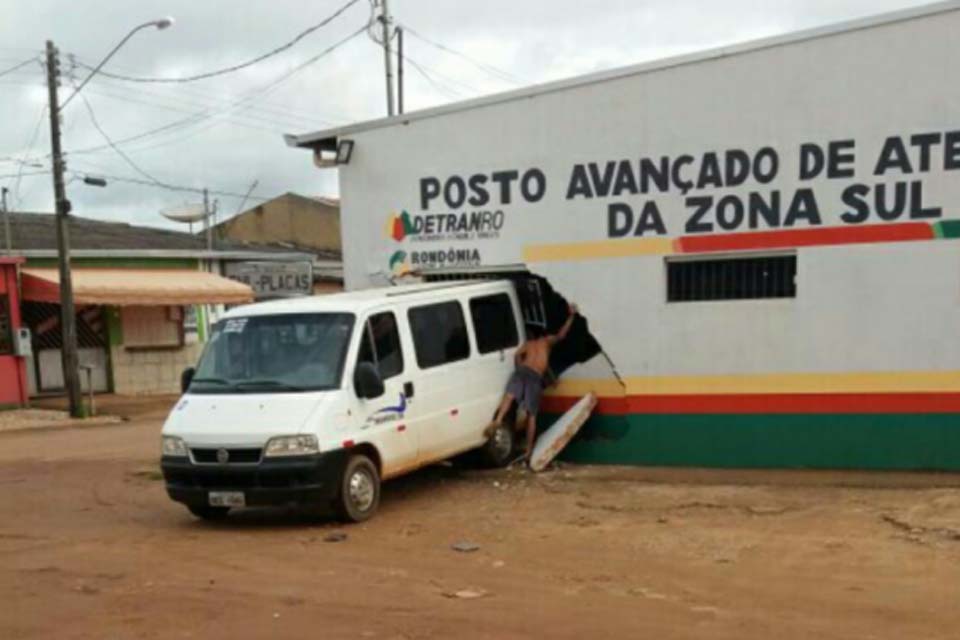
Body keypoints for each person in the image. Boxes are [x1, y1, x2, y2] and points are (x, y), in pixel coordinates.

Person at [488, 303, 579, 462]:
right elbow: (561, 335)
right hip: (534, 377)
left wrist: (520, 367)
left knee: (509, 397)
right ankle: (529, 450)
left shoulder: (528, 345)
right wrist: (571, 316)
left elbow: (517, 355)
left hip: (522, 371)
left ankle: (498, 420)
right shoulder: (547, 342)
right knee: (532, 416)